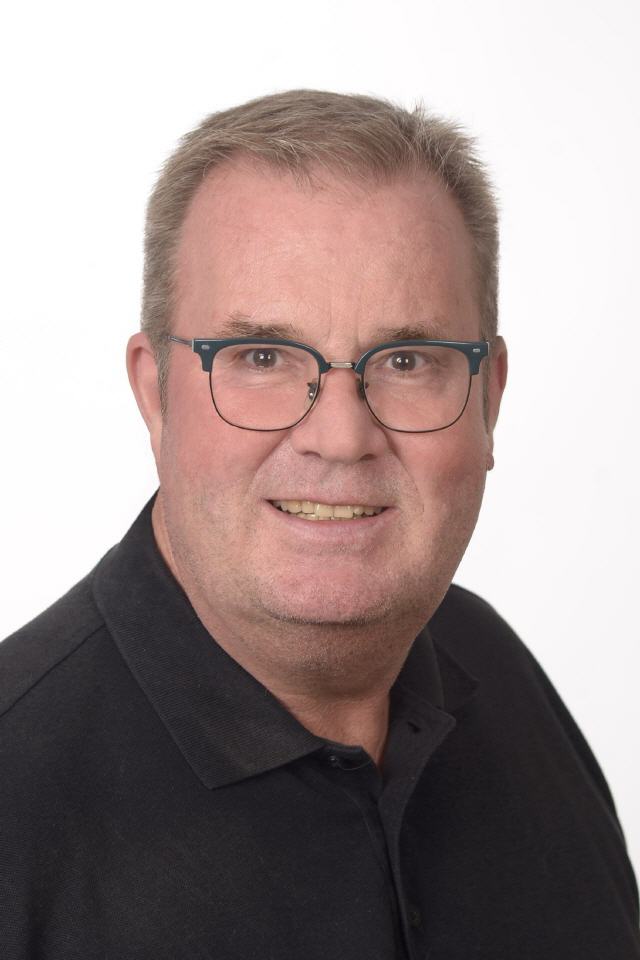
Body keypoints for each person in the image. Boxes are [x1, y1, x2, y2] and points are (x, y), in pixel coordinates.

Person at [1, 89, 638, 960]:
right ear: (155, 393)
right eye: (261, 356)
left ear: (488, 398)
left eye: (407, 359)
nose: (340, 437)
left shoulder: (496, 670)